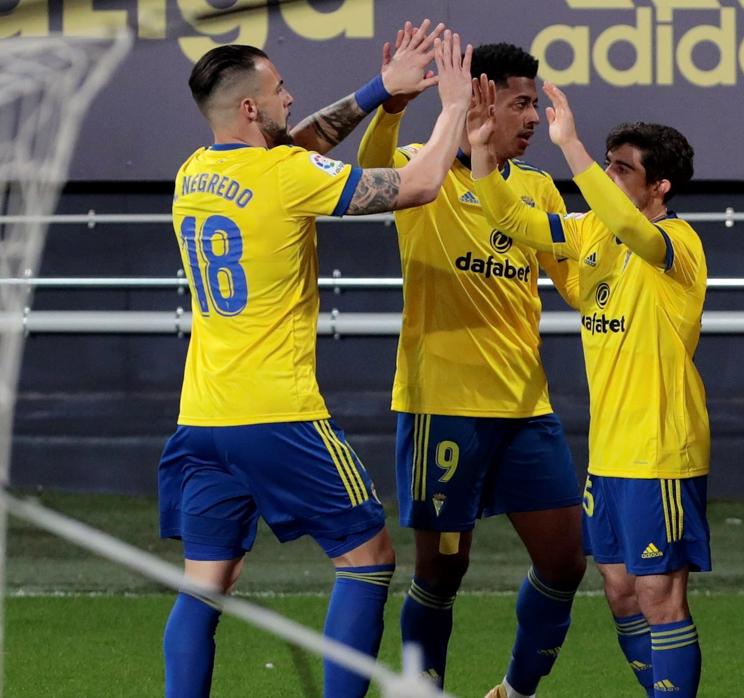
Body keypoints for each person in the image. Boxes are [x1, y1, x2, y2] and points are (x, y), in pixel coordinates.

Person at [160, 22, 476, 698]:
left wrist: (378, 95)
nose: (289, 99)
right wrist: (451, 105)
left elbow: (293, 150)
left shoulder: (194, 174)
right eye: (279, 91)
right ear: (250, 108)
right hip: (276, 414)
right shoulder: (283, 175)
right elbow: (419, 184)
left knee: (205, 586)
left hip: (202, 419)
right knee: (368, 559)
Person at [356, 43, 585, 698]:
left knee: (566, 560)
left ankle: (513, 691)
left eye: (535, 104)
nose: (534, 118)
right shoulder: (422, 175)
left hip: (525, 410)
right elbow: (372, 169)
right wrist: (395, 105)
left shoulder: (536, 188)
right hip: (444, 407)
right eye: (521, 103)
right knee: (442, 571)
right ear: (482, 100)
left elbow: (574, 279)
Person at [468, 77, 708, 697]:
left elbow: (632, 228)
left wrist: (569, 146)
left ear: (660, 187)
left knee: (659, 596)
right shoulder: (590, 233)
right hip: (610, 453)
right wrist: (481, 152)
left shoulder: (677, 244)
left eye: (622, 169)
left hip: (661, 448)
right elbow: (511, 217)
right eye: (606, 164)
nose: (606, 175)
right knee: (620, 590)